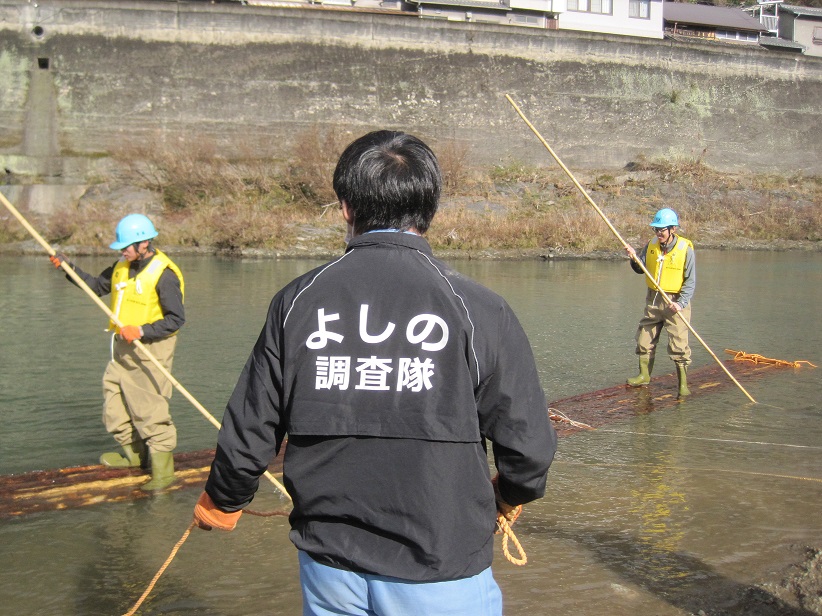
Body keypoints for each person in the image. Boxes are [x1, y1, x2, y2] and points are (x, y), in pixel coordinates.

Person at [193, 130, 557, 615]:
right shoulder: (478, 309)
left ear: (346, 207)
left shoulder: (298, 301)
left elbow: (250, 427)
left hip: (329, 564)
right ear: (429, 210)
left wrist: (223, 502)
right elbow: (529, 449)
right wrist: (508, 496)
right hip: (440, 567)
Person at [50, 213, 185, 491]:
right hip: (122, 348)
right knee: (114, 404)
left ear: (144, 243)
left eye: (127, 246)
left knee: (150, 410)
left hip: (151, 349)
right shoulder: (122, 266)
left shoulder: (164, 274)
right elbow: (97, 287)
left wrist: (142, 330)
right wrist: (68, 268)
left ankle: (164, 473)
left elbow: (176, 319)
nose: (123, 250)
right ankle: (135, 458)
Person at [625, 207, 695, 397]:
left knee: (679, 346)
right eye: (656, 229)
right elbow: (641, 269)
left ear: (672, 229)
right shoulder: (651, 245)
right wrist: (633, 258)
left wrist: (680, 303)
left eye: (661, 230)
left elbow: (690, 281)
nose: (658, 233)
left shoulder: (685, 249)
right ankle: (644, 375)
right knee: (644, 339)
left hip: (675, 301)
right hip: (654, 299)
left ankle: (683, 385)